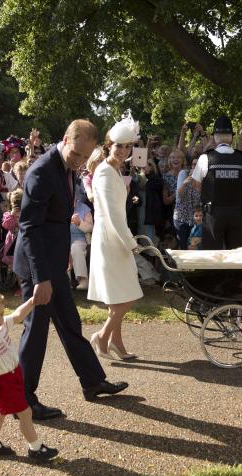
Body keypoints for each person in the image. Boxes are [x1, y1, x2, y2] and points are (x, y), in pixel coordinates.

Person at [13, 119, 128, 422]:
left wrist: (62, 258)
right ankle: (23, 401)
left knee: (70, 323)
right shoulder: (40, 172)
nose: (78, 162)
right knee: (35, 333)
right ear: (65, 139)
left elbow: (57, 221)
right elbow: (29, 229)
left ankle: (92, 382)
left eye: (83, 157)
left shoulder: (66, 168)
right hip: (37, 268)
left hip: (53, 262)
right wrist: (41, 279)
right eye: (75, 154)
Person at [0, 290, 59, 462]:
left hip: (14, 375)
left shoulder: (0, 327)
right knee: (25, 413)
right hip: (3, 382)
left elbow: (17, 315)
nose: (0, 319)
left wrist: (32, 302)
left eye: (1, 314)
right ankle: (36, 448)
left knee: (1, 411)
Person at [87, 116, 144, 361]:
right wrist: (131, 243)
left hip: (114, 237)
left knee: (120, 296)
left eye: (128, 146)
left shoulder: (114, 171)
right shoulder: (105, 172)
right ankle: (101, 336)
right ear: (109, 145)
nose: (123, 151)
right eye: (119, 146)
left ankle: (116, 343)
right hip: (111, 239)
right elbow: (112, 215)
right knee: (128, 294)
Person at [190, 115, 242, 249]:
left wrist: (210, 192)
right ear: (231, 137)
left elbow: (195, 184)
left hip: (213, 214)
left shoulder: (205, 158)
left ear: (214, 137)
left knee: (212, 255)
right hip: (237, 214)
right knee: (237, 254)